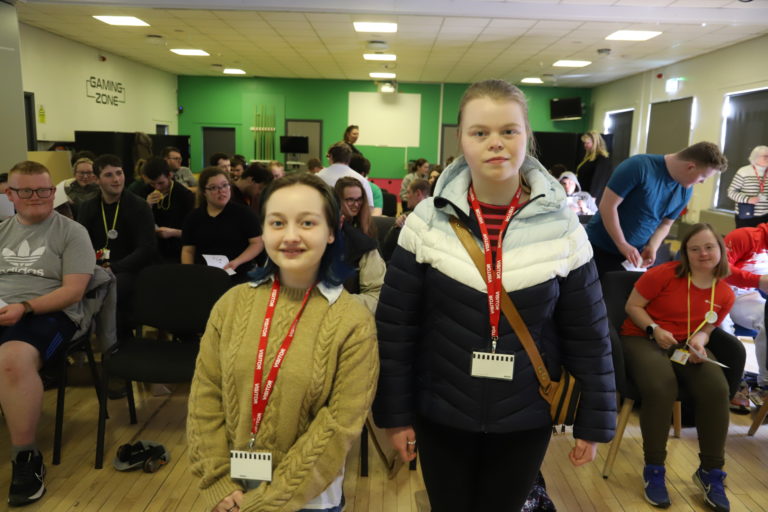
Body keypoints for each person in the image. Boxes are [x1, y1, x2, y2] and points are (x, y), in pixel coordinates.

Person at [374, 79, 616, 511]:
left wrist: (594, 421)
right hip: (440, 411)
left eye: (509, 131)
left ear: (528, 138)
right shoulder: (425, 222)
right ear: (461, 140)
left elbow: (588, 330)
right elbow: (395, 330)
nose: (495, 144)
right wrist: (395, 416)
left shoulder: (563, 226)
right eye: (480, 132)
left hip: (526, 412)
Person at [187, 172, 378, 512]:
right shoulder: (231, 306)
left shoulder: (353, 321)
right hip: (230, 496)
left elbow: (338, 426)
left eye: (307, 223)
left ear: (332, 231)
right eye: (277, 223)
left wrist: (268, 501)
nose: (290, 236)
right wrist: (217, 480)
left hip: (310, 500)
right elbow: (205, 397)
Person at [621, 223, 735, 511]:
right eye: (694, 249)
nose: (703, 254)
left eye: (709, 247)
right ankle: (655, 470)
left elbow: (708, 326)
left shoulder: (724, 292)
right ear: (685, 253)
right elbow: (632, 307)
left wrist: (700, 340)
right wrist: (654, 329)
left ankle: (711, 472)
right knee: (662, 385)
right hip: (643, 337)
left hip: (683, 345)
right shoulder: (663, 274)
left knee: (717, 387)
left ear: (720, 250)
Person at [0, 161, 95, 506]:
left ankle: (26, 458)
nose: (36, 197)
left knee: (11, 360)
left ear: (53, 192)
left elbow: (73, 292)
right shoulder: (2, 230)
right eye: (26, 190)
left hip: (51, 314)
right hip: (4, 309)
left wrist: (24, 308)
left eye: (43, 190)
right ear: (10, 194)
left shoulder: (71, 232)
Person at [585, 141, 727, 276]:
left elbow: (666, 224)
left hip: (633, 256)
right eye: (703, 177)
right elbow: (607, 206)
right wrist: (622, 243)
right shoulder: (639, 166)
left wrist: (652, 246)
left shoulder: (685, 190)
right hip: (599, 247)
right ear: (690, 167)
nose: (702, 182)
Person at [77, 154, 156, 335]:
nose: (116, 179)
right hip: (97, 267)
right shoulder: (88, 207)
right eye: (109, 175)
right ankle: (80, 337)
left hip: (130, 269)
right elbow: (82, 245)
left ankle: (118, 342)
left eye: (119, 173)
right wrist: (96, 267)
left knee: (114, 289)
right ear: (97, 180)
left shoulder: (139, 206)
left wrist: (114, 267)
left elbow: (147, 248)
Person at [181, 167, 263, 283]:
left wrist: (237, 261)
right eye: (214, 188)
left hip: (238, 273)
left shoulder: (244, 213)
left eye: (225, 185)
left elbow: (257, 243)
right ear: (204, 192)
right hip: (204, 274)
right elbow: (188, 250)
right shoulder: (194, 217)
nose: (221, 191)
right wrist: (189, 273)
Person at [724, 222, 768, 406]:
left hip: (747, 296)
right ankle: (733, 383)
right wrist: (758, 280)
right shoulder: (745, 236)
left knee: (767, 321)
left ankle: (764, 386)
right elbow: (721, 268)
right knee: (723, 330)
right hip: (717, 292)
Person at [334, 177, 385, 313]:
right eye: (350, 199)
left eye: (359, 199)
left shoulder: (367, 229)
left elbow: (375, 291)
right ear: (338, 201)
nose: (356, 204)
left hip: (353, 305)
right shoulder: (328, 232)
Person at [143, 156, 196, 262]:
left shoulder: (185, 196)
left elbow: (194, 232)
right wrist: (147, 206)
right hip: (153, 247)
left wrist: (173, 232)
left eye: (161, 183)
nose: (157, 187)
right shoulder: (146, 191)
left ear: (170, 175)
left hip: (179, 248)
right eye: (152, 183)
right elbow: (139, 225)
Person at [381, 178, 431, 262]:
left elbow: (386, 251)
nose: (406, 196)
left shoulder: (408, 219)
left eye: (408, 192)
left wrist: (397, 228)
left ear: (418, 193)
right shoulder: (435, 216)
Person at [317, 143, 374, 208]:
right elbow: (369, 207)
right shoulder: (361, 180)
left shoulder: (318, 178)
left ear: (331, 156)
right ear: (349, 158)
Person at [726, 145, 768, 228]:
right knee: (745, 240)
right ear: (755, 157)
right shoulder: (743, 171)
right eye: (765, 156)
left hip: (765, 217)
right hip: (746, 216)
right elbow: (731, 192)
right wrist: (748, 199)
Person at [576, 131, 613, 204]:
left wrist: (592, 198)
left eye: (587, 143)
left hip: (591, 198)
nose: (585, 145)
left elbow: (599, 180)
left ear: (595, 143)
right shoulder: (589, 158)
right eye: (584, 143)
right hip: (585, 194)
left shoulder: (602, 159)